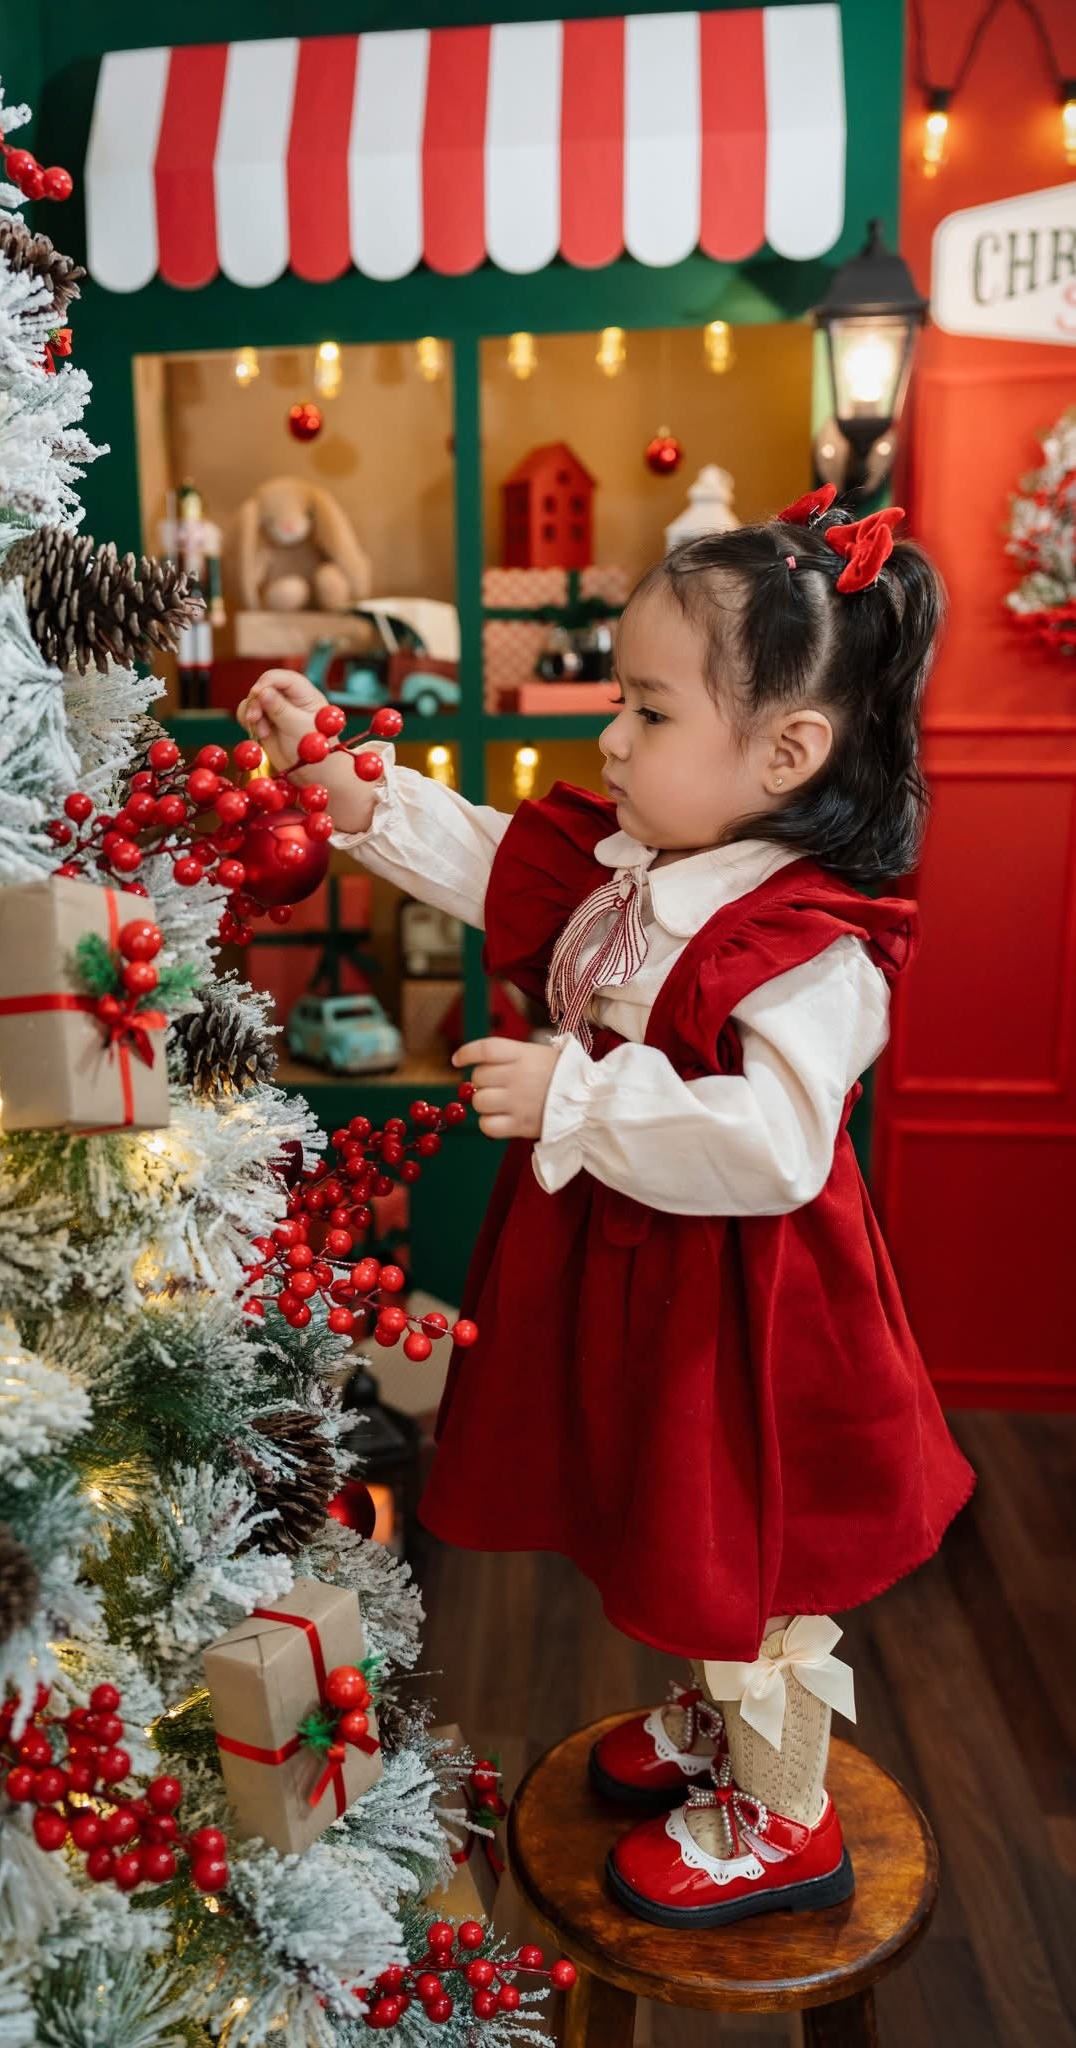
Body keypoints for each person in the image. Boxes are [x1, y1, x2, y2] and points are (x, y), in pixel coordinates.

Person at [237, 487, 975, 1929]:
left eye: (646, 713)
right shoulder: (649, 869)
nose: (610, 741)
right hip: (637, 1281)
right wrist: (356, 798)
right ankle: (709, 1723)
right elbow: (495, 859)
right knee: (661, 1516)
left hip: (745, 1320)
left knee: (743, 1549)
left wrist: (579, 1102)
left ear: (785, 751)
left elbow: (773, 1145)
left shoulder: (809, 949)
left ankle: (782, 1811)